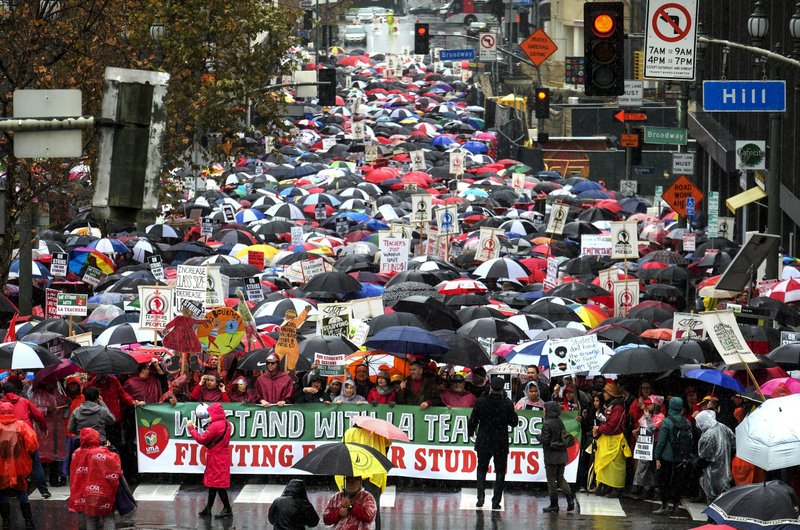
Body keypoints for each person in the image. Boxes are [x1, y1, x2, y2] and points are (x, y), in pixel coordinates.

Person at [468, 376, 518, 510]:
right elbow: (513, 423)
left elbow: (473, 420)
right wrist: (514, 412)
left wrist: (470, 432)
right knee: (500, 471)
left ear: (490, 387)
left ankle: (480, 498)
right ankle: (496, 501)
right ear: (502, 389)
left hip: (484, 441)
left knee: (481, 469)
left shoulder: (481, 402)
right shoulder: (507, 403)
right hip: (500, 442)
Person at [336, 424, 391, 530]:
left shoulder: (349, 432)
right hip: (374, 475)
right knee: (373, 509)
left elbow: (343, 452)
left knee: (350, 506)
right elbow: (386, 449)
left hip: (353, 474)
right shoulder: (378, 434)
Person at [1, 382, 49, 500]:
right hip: (26, 437)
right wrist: (44, 428)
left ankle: (8, 490)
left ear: (3, 392)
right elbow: (39, 416)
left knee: (7, 465)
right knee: (35, 463)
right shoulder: (24, 401)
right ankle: (43, 490)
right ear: (16, 391)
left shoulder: (1, 404)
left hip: (5, 442)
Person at [68, 427, 122, 530]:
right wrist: (109, 449)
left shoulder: (76, 453)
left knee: (90, 517)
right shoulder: (102, 452)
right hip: (102, 491)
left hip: (86, 493)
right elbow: (115, 463)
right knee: (108, 516)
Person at [187, 402, 233, 519]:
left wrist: (191, 429)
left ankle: (227, 508)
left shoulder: (214, 426)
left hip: (215, 457)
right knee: (213, 483)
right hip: (222, 456)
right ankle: (208, 508)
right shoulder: (227, 424)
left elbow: (202, 439)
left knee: (217, 485)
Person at [653, 396, 695, 515]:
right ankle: (675, 506)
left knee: (664, 482)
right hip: (681, 458)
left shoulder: (667, 421)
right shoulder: (687, 422)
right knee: (678, 483)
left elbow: (661, 442)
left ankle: (664, 506)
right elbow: (691, 440)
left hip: (666, 457)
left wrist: (657, 457)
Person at [0, 401, 38, 530]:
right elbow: (33, 444)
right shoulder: (21, 425)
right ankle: (28, 521)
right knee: (21, 491)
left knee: (3, 492)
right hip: (19, 465)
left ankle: (6, 522)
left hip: (1, 467)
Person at [592, 382, 630, 498]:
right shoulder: (610, 406)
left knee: (615, 466)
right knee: (606, 466)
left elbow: (613, 426)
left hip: (615, 441)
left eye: (606, 392)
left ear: (611, 394)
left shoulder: (618, 408)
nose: (603, 394)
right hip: (607, 440)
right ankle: (606, 486)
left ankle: (617, 488)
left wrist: (599, 428)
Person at [29, 379, 69, 488]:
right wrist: (47, 409)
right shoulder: (37, 395)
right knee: (42, 455)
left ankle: (54, 479)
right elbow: (34, 410)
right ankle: (40, 481)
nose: (54, 384)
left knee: (55, 454)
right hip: (43, 429)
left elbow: (61, 407)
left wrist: (65, 405)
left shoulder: (57, 393)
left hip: (56, 428)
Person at [538, 401, 575, 513]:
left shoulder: (547, 424)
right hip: (562, 454)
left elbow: (546, 440)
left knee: (551, 480)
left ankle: (554, 503)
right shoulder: (560, 422)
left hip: (551, 456)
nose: (544, 411)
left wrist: (538, 436)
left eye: (545, 409)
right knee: (560, 478)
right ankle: (570, 499)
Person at [695, 409, 735, 503]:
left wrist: (697, 464)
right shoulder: (723, 427)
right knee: (723, 498)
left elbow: (705, 457)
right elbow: (733, 442)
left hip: (713, 472)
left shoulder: (707, 436)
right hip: (725, 469)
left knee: (712, 497)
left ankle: (711, 517)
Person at [629, 395, 664, 500]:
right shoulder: (647, 415)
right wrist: (637, 431)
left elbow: (652, 429)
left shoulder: (660, 416)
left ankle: (655, 490)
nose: (647, 406)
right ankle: (646, 488)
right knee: (645, 467)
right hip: (646, 445)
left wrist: (648, 418)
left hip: (655, 445)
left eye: (649, 404)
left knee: (653, 468)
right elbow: (642, 426)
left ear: (655, 405)